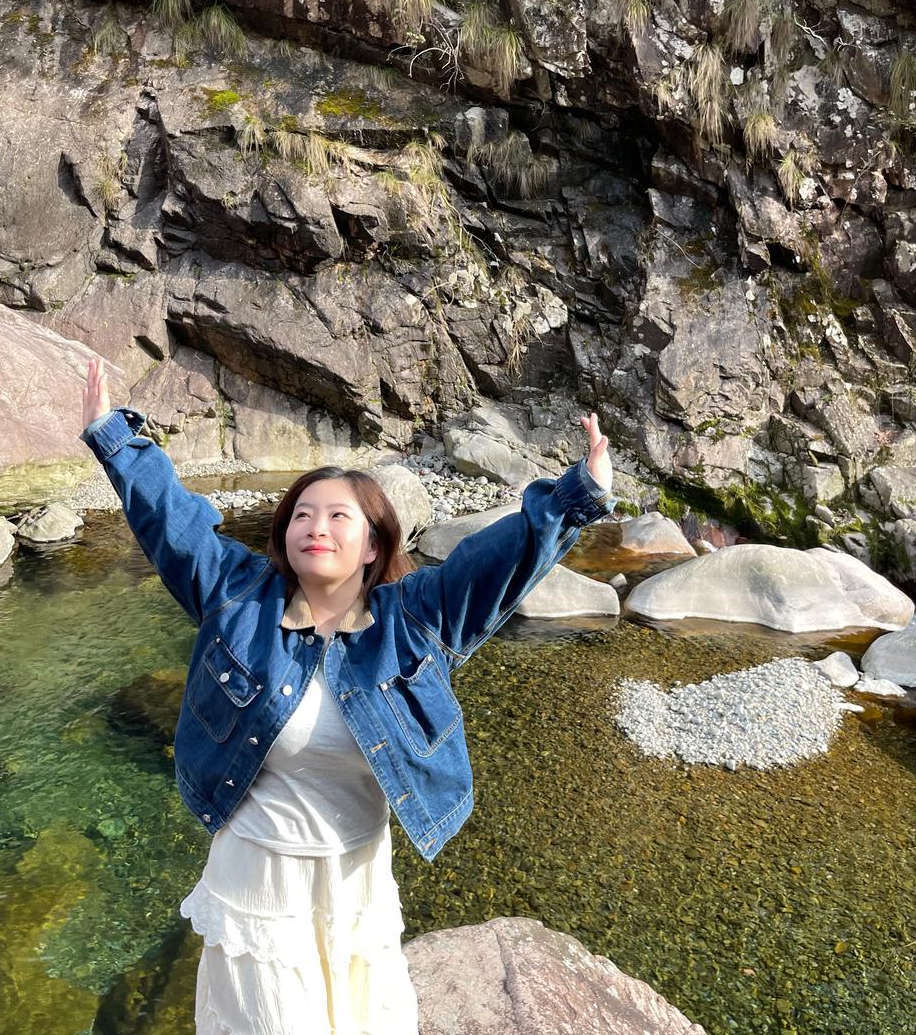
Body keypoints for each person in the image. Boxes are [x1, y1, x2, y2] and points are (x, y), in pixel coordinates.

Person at [79, 356, 617, 1035]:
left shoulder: (417, 618)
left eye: (338, 516)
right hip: (258, 879)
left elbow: (497, 561)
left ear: (372, 545)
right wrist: (114, 437)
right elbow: (173, 524)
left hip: (356, 881)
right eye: (302, 514)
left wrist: (577, 494)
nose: (316, 526)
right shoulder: (237, 597)